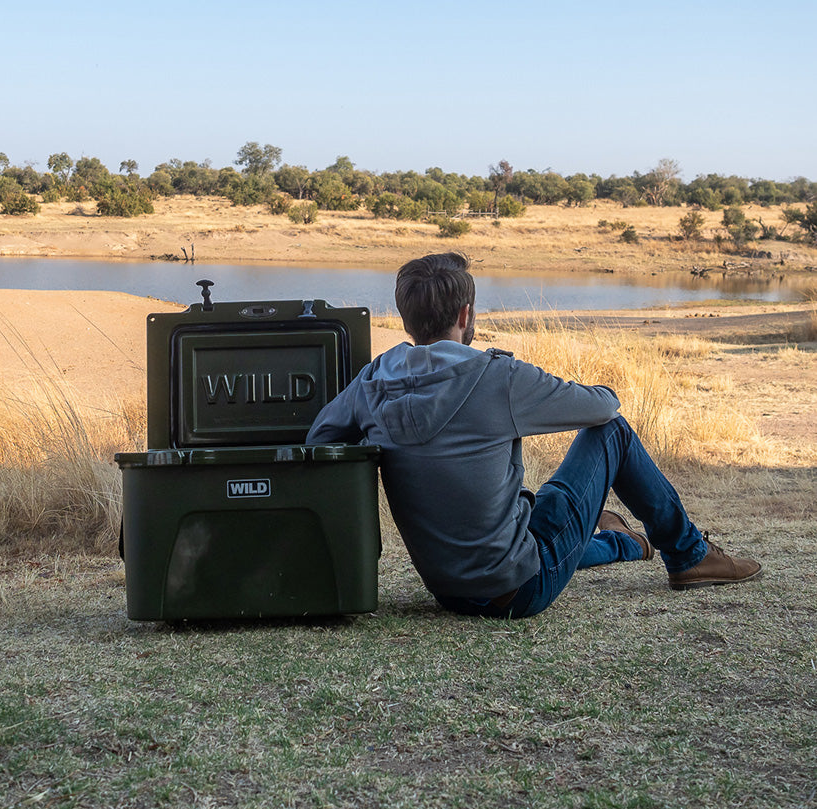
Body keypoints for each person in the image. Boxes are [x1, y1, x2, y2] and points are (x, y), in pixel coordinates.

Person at [307, 252, 762, 618]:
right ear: (466, 314)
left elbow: (320, 438)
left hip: (446, 590)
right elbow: (603, 407)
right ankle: (688, 555)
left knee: (532, 513)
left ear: (406, 319)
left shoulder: (371, 383)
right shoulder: (497, 377)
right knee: (614, 434)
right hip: (518, 591)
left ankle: (620, 541)